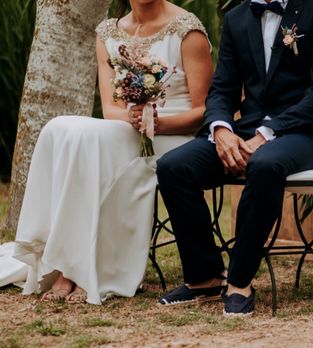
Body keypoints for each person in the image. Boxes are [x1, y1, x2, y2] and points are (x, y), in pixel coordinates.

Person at [0, 0, 212, 304]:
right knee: (63, 128)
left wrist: (157, 124)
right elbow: (111, 109)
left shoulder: (187, 30)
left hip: (175, 134)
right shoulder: (108, 33)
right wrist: (135, 119)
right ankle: (64, 264)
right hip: (127, 127)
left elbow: (204, 111)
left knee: (95, 143)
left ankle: (84, 271)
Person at [156, 0, 313, 316]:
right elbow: (222, 90)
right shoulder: (236, 18)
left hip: (312, 132)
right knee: (174, 166)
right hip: (248, 130)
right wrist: (221, 130)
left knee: (265, 163)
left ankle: (239, 282)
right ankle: (204, 277)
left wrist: (266, 134)